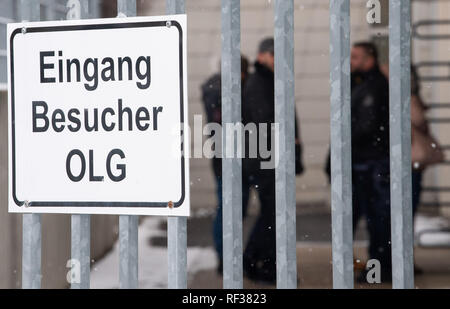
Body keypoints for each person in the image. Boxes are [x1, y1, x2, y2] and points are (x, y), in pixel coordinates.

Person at [241, 38, 303, 284]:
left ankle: (259, 261)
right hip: (266, 160)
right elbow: (265, 122)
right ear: (263, 56)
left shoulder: (269, 82)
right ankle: (261, 262)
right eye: (276, 55)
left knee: (273, 213)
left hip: (268, 159)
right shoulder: (261, 84)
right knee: (273, 214)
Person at [201, 56, 250, 274]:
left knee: (232, 209)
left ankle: (228, 256)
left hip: (230, 157)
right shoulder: (219, 91)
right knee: (229, 210)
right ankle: (225, 257)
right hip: (228, 158)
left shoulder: (215, 88)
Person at [349, 42, 392, 282]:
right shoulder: (364, 84)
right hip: (367, 161)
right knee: (375, 218)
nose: (351, 61)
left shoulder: (373, 86)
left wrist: (344, 143)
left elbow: (366, 126)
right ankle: (379, 265)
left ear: (370, 59)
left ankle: (380, 267)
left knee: (378, 219)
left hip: (372, 163)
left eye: (356, 57)